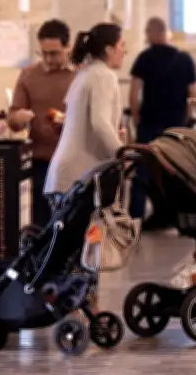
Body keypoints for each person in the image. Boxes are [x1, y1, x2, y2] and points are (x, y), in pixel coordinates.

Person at [44, 23, 126, 204]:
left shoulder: (86, 73)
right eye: (122, 45)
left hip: (67, 174)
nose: (124, 52)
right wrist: (122, 154)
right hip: (79, 176)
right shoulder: (103, 75)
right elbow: (100, 123)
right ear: (109, 49)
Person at [128, 17, 196, 221]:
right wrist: (185, 120)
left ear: (152, 33)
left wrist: (136, 118)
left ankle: (135, 219)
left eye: (146, 33)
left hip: (150, 124)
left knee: (142, 172)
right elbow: (193, 95)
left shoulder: (144, 58)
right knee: (176, 173)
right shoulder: (185, 59)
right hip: (175, 126)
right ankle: (181, 218)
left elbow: (134, 93)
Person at [7, 19, 76, 227]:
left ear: (67, 47)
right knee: (41, 223)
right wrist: (18, 119)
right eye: (43, 53)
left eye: (54, 53)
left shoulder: (80, 76)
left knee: (71, 221)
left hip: (74, 160)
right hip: (41, 161)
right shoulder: (29, 75)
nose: (48, 59)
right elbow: (13, 117)